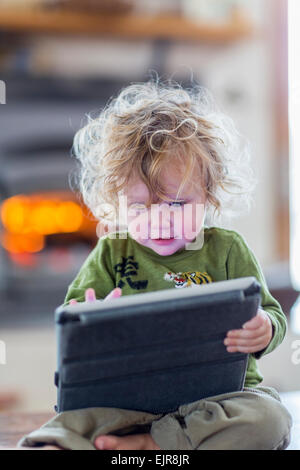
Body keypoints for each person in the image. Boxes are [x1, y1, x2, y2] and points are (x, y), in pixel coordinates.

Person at [18, 80, 292, 450]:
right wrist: (92, 320)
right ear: (116, 202)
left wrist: (264, 328)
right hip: (125, 404)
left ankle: (156, 444)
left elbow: (272, 314)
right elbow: (71, 319)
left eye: (176, 204)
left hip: (213, 404)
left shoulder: (227, 249)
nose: (160, 220)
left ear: (209, 196)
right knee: (71, 420)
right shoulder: (112, 252)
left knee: (269, 419)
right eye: (139, 207)